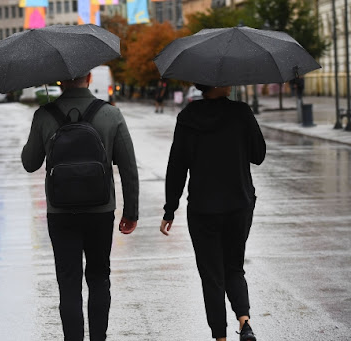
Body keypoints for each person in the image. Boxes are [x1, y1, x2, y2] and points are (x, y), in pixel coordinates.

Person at [21, 72, 139, 341]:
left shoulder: (44, 115)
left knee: (68, 283)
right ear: (89, 76)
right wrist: (130, 212)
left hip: (60, 212)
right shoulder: (110, 115)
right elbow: (129, 168)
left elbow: (30, 163)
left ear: (60, 80)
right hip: (100, 211)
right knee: (99, 278)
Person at [159, 84, 266, 341]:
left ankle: (220, 336)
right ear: (217, 84)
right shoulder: (241, 113)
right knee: (234, 267)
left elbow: (177, 166)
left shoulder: (187, 117)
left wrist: (170, 209)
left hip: (203, 209)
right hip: (238, 205)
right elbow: (259, 155)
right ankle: (245, 321)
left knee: (212, 276)